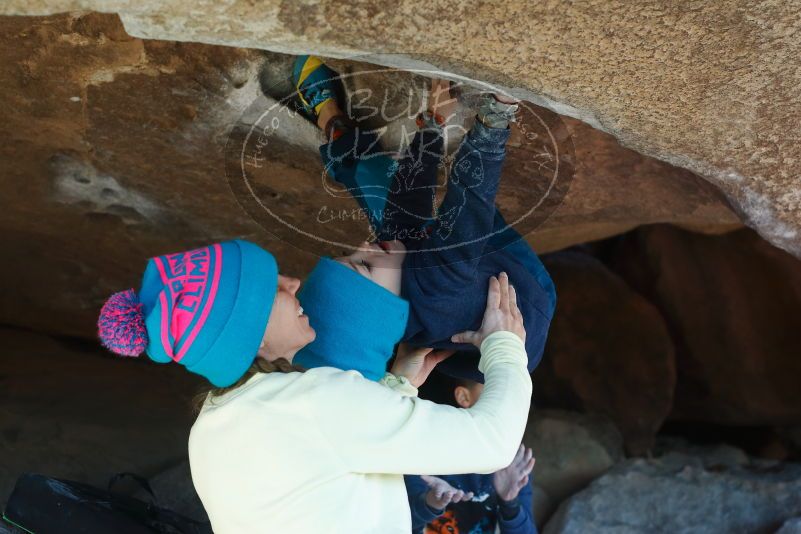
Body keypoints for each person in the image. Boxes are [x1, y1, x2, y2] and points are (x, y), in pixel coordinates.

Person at [96, 239, 532, 533]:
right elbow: (492, 444)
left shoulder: (209, 429)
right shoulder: (315, 401)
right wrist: (505, 345)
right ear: (251, 337)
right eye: (274, 289)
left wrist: (395, 385)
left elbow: (329, 472)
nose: (294, 284)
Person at [291, 56, 556, 383]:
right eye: (363, 265)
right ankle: (343, 142)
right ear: (385, 308)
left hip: (443, 306)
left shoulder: (387, 291)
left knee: (384, 193)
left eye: (348, 254)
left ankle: (333, 125)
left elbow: (407, 199)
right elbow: (471, 192)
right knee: (462, 218)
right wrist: (497, 111)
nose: (363, 246)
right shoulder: (439, 286)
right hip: (527, 291)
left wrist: (433, 122)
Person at [405, 373, 537, 534]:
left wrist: (510, 503)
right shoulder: (424, 450)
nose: (508, 404)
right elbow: (394, 522)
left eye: (515, 395)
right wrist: (430, 503)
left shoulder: (512, 463)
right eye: (496, 391)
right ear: (464, 397)